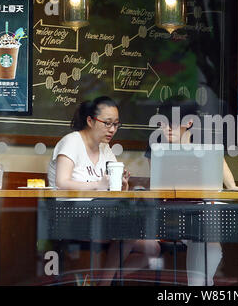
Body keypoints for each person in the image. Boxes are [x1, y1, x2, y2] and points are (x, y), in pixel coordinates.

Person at [48, 96, 160, 285]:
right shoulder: (72, 142)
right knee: (129, 230)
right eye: (107, 123)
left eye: (116, 124)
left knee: (153, 248)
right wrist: (97, 185)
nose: (112, 129)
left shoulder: (105, 149)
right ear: (90, 121)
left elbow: (111, 190)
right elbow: (61, 182)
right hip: (70, 216)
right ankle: (105, 282)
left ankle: (104, 279)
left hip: (102, 216)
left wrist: (122, 185)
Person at [145, 96, 238, 286]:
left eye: (171, 123)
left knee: (203, 234)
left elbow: (219, 165)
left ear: (188, 122)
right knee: (206, 236)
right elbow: (158, 183)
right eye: (162, 123)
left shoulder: (203, 140)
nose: (166, 129)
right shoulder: (156, 142)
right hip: (171, 211)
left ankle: (197, 285)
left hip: (200, 207)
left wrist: (231, 186)